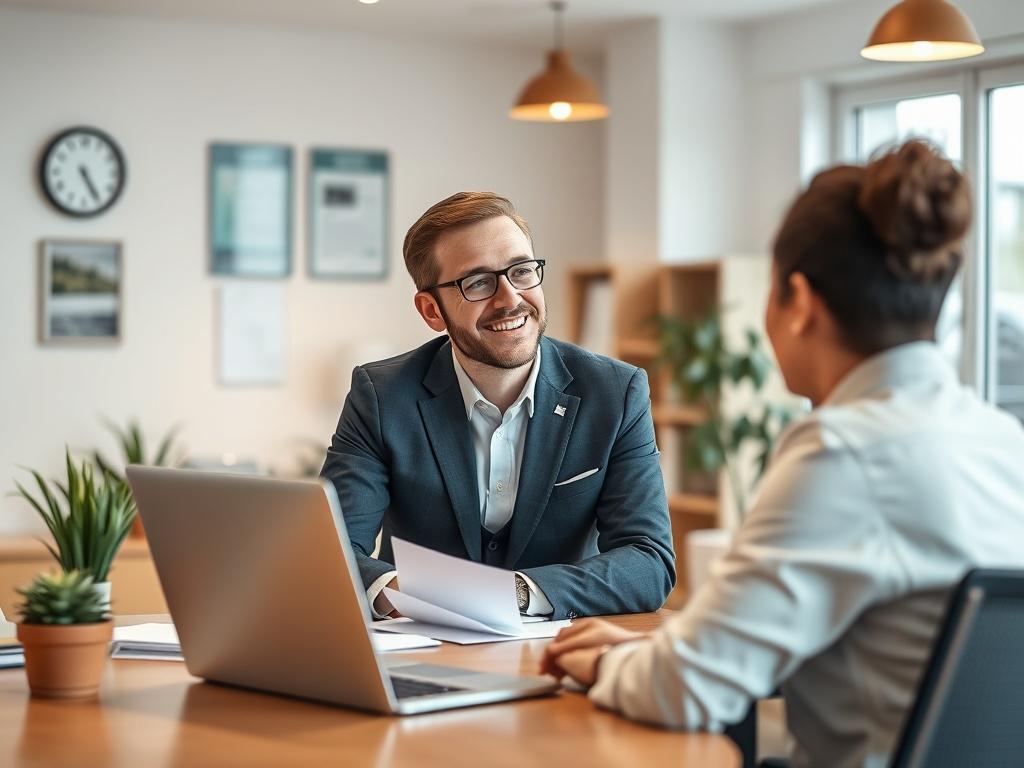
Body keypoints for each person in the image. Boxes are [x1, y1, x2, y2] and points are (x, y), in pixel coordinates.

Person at [541, 140, 1024, 767]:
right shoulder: (999, 438)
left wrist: (612, 661)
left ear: (797, 301)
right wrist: (656, 652)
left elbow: (686, 690)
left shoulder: (843, 452)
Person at [321, 192, 675, 621]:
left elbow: (649, 562)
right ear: (432, 310)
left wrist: (516, 595)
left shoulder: (616, 393)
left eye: (522, 271)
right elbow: (331, 552)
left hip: (564, 650)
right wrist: (414, 594)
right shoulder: (380, 395)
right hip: (422, 654)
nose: (510, 298)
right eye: (478, 282)